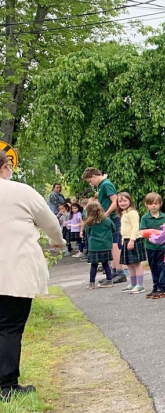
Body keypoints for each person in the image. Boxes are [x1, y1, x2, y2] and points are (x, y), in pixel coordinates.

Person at [0, 154, 66, 400]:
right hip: (13, 269)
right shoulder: (21, 191)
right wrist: (57, 242)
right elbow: (50, 223)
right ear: (5, 167)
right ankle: (7, 386)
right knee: (9, 328)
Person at [81, 167, 126, 284]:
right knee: (111, 245)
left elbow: (115, 201)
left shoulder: (106, 184)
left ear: (94, 176)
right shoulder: (101, 186)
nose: (91, 184)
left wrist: (105, 215)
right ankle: (113, 272)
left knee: (115, 245)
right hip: (108, 218)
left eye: (90, 181)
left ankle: (120, 272)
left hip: (112, 218)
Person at [141, 193, 165, 299]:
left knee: (162, 267)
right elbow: (143, 232)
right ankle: (155, 287)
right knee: (153, 267)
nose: (154, 206)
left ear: (160, 204)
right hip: (150, 247)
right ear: (146, 205)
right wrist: (153, 234)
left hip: (163, 247)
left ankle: (163, 288)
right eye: (151, 203)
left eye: (156, 203)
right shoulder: (145, 218)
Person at [116, 192, 146, 293]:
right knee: (129, 264)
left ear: (130, 201)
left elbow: (135, 227)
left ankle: (140, 285)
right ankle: (133, 284)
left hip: (133, 240)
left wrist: (132, 240)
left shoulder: (132, 212)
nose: (122, 203)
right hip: (126, 240)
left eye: (125, 200)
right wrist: (123, 239)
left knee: (137, 263)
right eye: (120, 201)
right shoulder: (124, 213)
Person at [82, 202, 116, 290]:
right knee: (106, 264)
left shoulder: (89, 222)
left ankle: (91, 283)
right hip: (106, 245)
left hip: (94, 246)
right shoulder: (107, 220)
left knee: (94, 265)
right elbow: (114, 228)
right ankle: (109, 280)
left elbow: (87, 232)